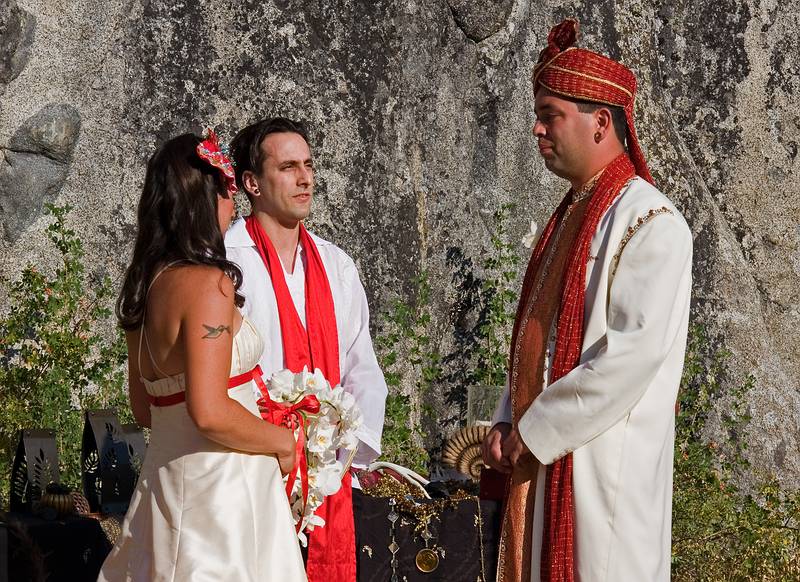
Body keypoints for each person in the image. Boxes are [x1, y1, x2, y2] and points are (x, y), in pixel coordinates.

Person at [481, 19, 693, 582]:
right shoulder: (570, 217)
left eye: (551, 115)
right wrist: (508, 422)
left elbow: (627, 359)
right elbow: (537, 340)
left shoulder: (653, 222)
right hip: (546, 456)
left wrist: (531, 429)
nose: (537, 129)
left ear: (601, 122)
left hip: (603, 476)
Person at [99, 131, 306, 581]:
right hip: (223, 494)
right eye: (226, 191)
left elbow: (145, 409)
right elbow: (209, 411)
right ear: (202, 200)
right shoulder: (209, 285)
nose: (232, 205)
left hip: (164, 487)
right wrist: (282, 442)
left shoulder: (145, 288)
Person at [225, 117, 387, 582]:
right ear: (252, 183)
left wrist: (344, 460)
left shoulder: (335, 264)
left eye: (309, 165)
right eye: (289, 166)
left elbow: (362, 366)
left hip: (325, 467)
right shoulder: (229, 261)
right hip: (256, 462)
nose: (305, 178)